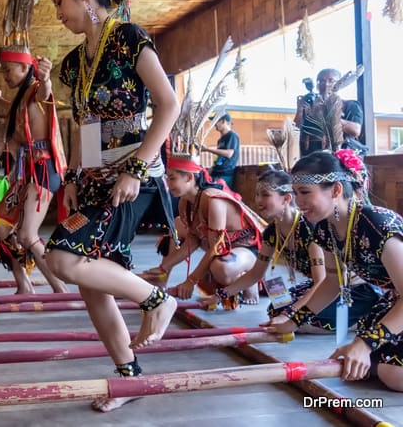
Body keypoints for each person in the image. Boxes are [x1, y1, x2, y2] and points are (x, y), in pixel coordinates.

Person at [42, 0, 180, 413]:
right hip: (98, 179)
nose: (58, 14)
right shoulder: (74, 62)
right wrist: (76, 175)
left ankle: (157, 300)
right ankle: (129, 377)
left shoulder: (130, 39)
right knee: (91, 282)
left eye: (59, 2)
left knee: (62, 257)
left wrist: (137, 168)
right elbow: (84, 125)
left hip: (135, 177)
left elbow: (168, 105)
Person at [267, 150, 403, 390]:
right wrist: (295, 320)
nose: (299, 201)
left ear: (336, 190)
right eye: (296, 193)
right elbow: (332, 282)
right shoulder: (324, 228)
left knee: (392, 373)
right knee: (367, 365)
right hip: (393, 302)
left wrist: (364, 343)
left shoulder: (377, 225)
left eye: (306, 192)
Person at [0, 0, 69, 296]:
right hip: (24, 172)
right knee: (2, 228)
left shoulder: (36, 86)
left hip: (42, 170)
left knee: (28, 232)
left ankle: (58, 286)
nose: (5, 73)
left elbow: (45, 97)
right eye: (3, 69)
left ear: (27, 66)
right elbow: (21, 123)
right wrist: (5, 101)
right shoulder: (19, 96)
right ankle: (24, 284)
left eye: (10, 68)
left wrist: (48, 76)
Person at [201, 169, 380, 328]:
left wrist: (290, 315)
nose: (258, 201)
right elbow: (256, 273)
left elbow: (321, 281)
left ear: (286, 199)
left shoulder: (310, 228)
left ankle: (363, 319)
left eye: (265, 195)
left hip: (351, 290)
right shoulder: (272, 232)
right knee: (276, 308)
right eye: (257, 195)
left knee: (293, 318)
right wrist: (220, 295)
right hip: (325, 286)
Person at [155, 156, 264, 306]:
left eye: (172, 178)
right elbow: (193, 240)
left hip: (245, 248)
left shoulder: (214, 201)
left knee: (221, 268)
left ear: (189, 177)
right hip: (221, 246)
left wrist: (191, 280)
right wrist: (163, 267)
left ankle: (248, 279)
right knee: (177, 225)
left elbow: (216, 248)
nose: (168, 184)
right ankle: (161, 278)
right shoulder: (184, 202)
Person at [294, 68, 366, 157]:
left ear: (340, 83)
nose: (326, 84)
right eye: (321, 81)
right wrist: (300, 110)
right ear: (317, 86)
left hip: (341, 158)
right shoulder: (311, 106)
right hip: (312, 158)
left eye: (331, 81)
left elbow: (356, 131)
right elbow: (295, 130)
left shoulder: (350, 105)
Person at [201, 112, 239, 188]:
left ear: (223, 121)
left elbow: (229, 154)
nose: (214, 124)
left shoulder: (232, 135)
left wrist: (207, 149)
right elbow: (219, 157)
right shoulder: (220, 140)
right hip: (216, 172)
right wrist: (212, 168)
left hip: (225, 174)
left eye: (216, 121)